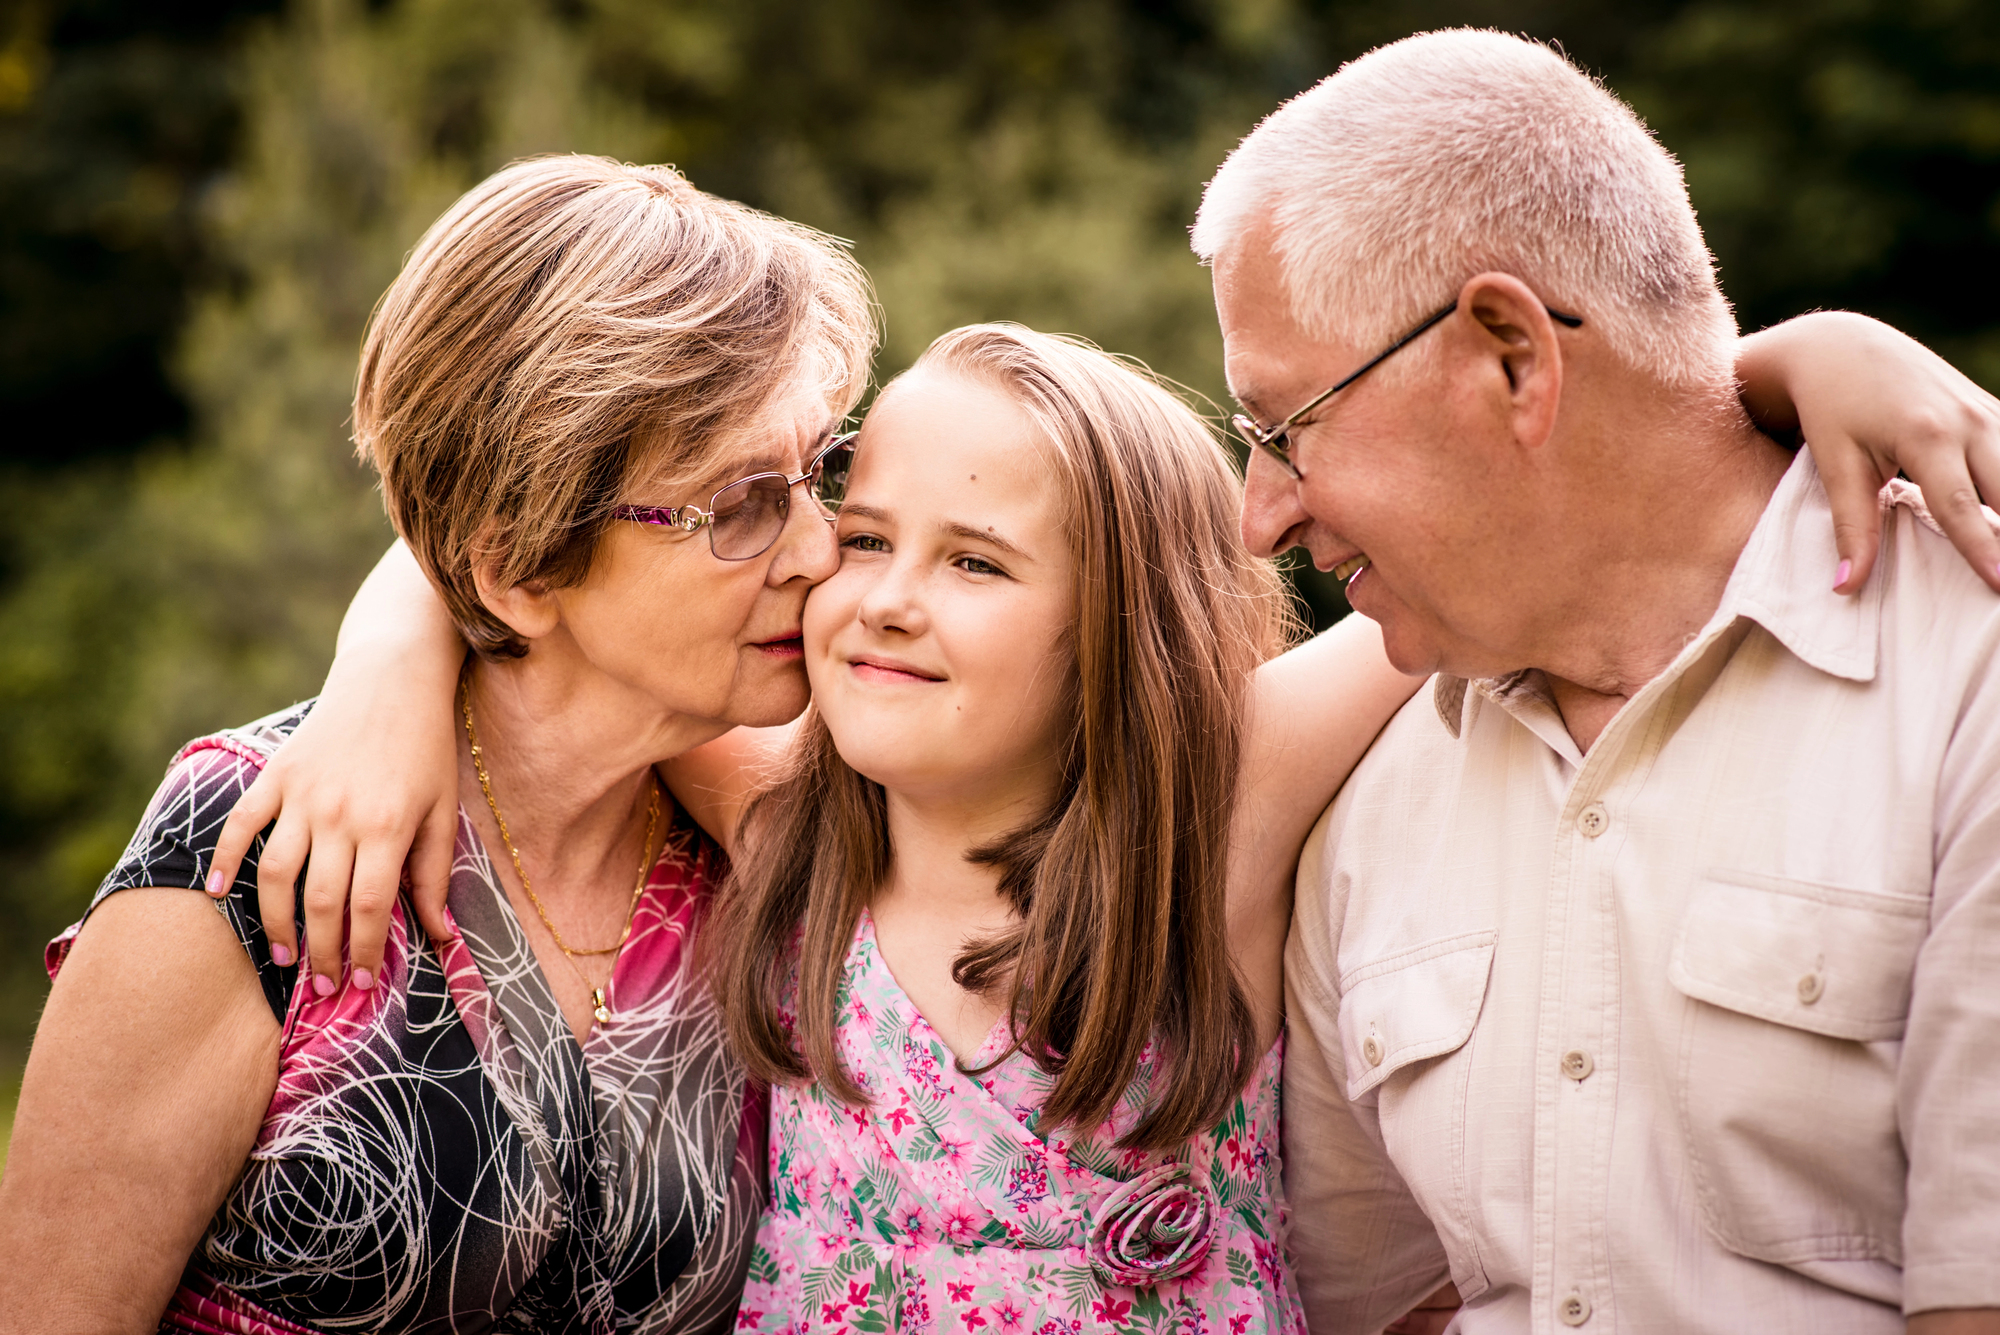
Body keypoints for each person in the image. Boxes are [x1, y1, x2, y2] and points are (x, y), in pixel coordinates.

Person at [1192, 28, 2000, 1334]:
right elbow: (1375, 1303)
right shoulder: (1366, 789)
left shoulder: (1970, 678)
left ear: (1511, 354)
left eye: (1285, 429)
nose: (1260, 515)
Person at [0, 153, 877, 1332]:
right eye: (740, 507)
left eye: (819, 471)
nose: (819, 551)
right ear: (518, 568)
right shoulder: (256, 845)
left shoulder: (789, 821)